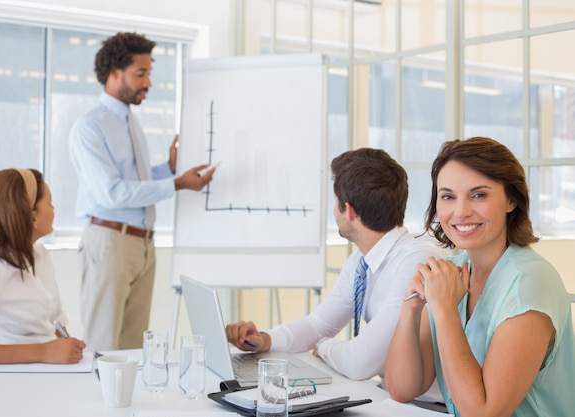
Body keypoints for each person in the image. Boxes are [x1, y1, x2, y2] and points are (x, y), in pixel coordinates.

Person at [385, 137, 575, 417]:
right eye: (448, 196)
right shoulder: (454, 272)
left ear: (511, 200)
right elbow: (403, 388)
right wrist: (411, 308)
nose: (461, 211)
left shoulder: (530, 283)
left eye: (479, 195)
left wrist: (446, 310)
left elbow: (483, 412)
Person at [225, 148, 447, 380]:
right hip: (390, 396)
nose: (334, 211)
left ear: (348, 210)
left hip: (427, 407)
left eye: (335, 203)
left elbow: (359, 363)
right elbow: (317, 324)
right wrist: (264, 340)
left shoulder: (416, 260)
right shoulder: (360, 263)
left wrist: (323, 346)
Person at [69, 32, 214, 351]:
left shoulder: (130, 122)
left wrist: (169, 169)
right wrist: (176, 184)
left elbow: (137, 181)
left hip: (142, 244)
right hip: (110, 243)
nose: (148, 82)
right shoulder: (90, 126)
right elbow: (112, 194)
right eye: (141, 74)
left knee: (133, 348)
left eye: (149, 73)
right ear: (114, 74)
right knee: (102, 347)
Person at [0, 168, 85, 365]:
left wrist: (68, 348)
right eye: (49, 202)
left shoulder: (40, 255)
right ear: (32, 215)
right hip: (5, 382)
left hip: (42, 374)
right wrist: (43, 352)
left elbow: (54, 324)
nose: (54, 209)